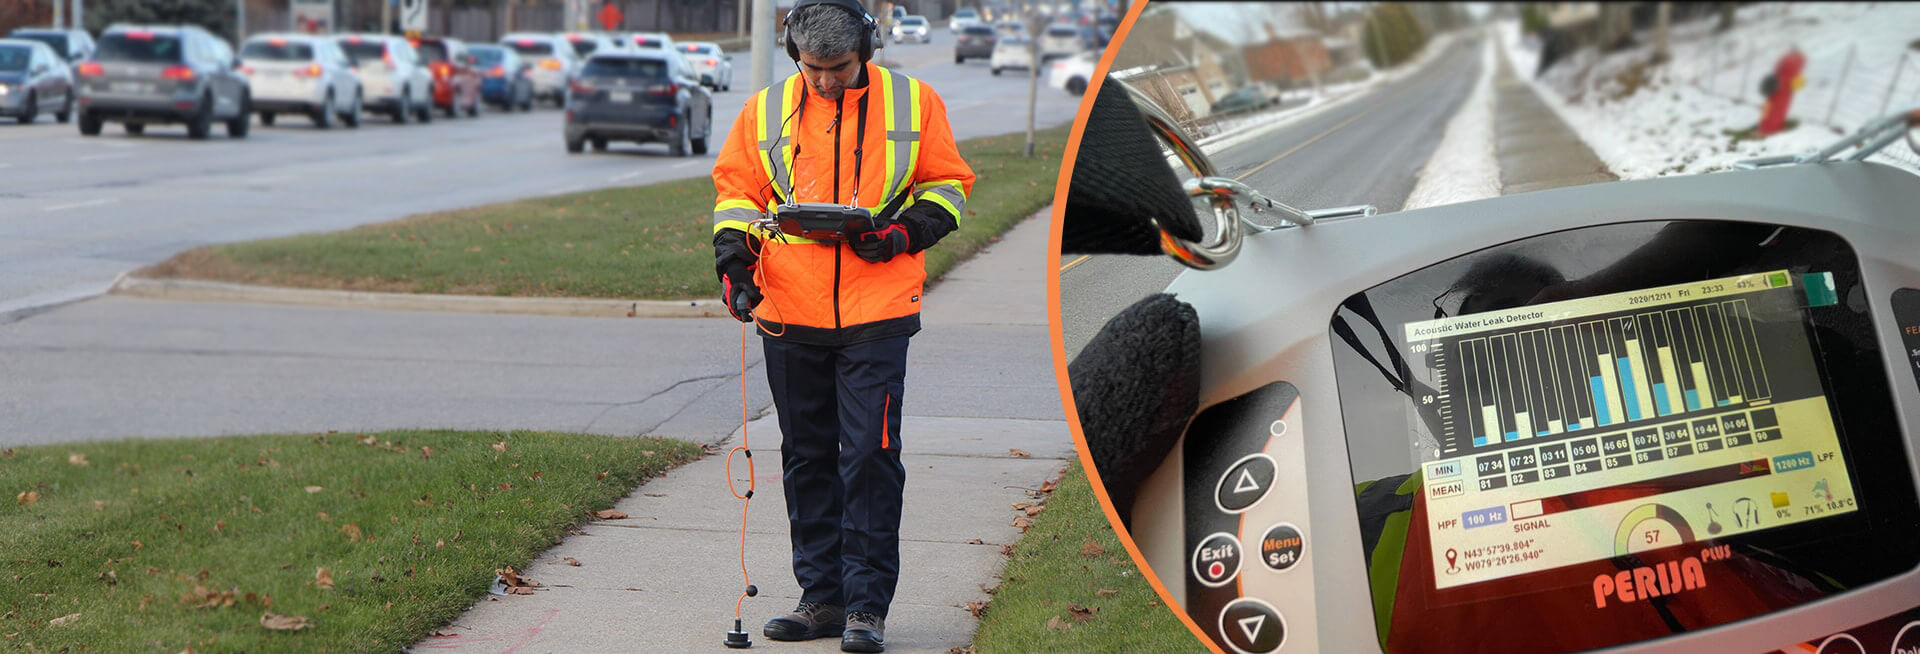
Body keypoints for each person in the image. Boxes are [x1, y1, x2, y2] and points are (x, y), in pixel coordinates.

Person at [708, 0, 974, 651]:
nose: (824, 80)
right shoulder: (766, 108)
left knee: (870, 459)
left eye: (838, 67)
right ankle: (821, 599)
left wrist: (904, 233)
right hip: (787, 313)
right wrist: (736, 268)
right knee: (806, 459)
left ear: (868, 51)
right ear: (795, 54)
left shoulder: (914, 102)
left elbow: (949, 185)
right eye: (813, 68)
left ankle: (866, 609)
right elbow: (737, 191)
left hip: (877, 315)